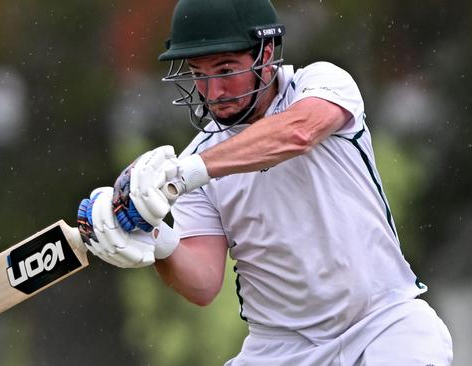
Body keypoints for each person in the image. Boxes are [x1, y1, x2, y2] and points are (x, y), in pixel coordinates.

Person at [76, 0, 453, 364]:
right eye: (199, 74)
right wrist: (154, 238)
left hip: (384, 324)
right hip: (279, 348)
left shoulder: (321, 83)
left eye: (225, 70)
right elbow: (204, 284)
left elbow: (298, 134)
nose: (213, 92)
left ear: (267, 53)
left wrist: (185, 174)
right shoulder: (194, 165)